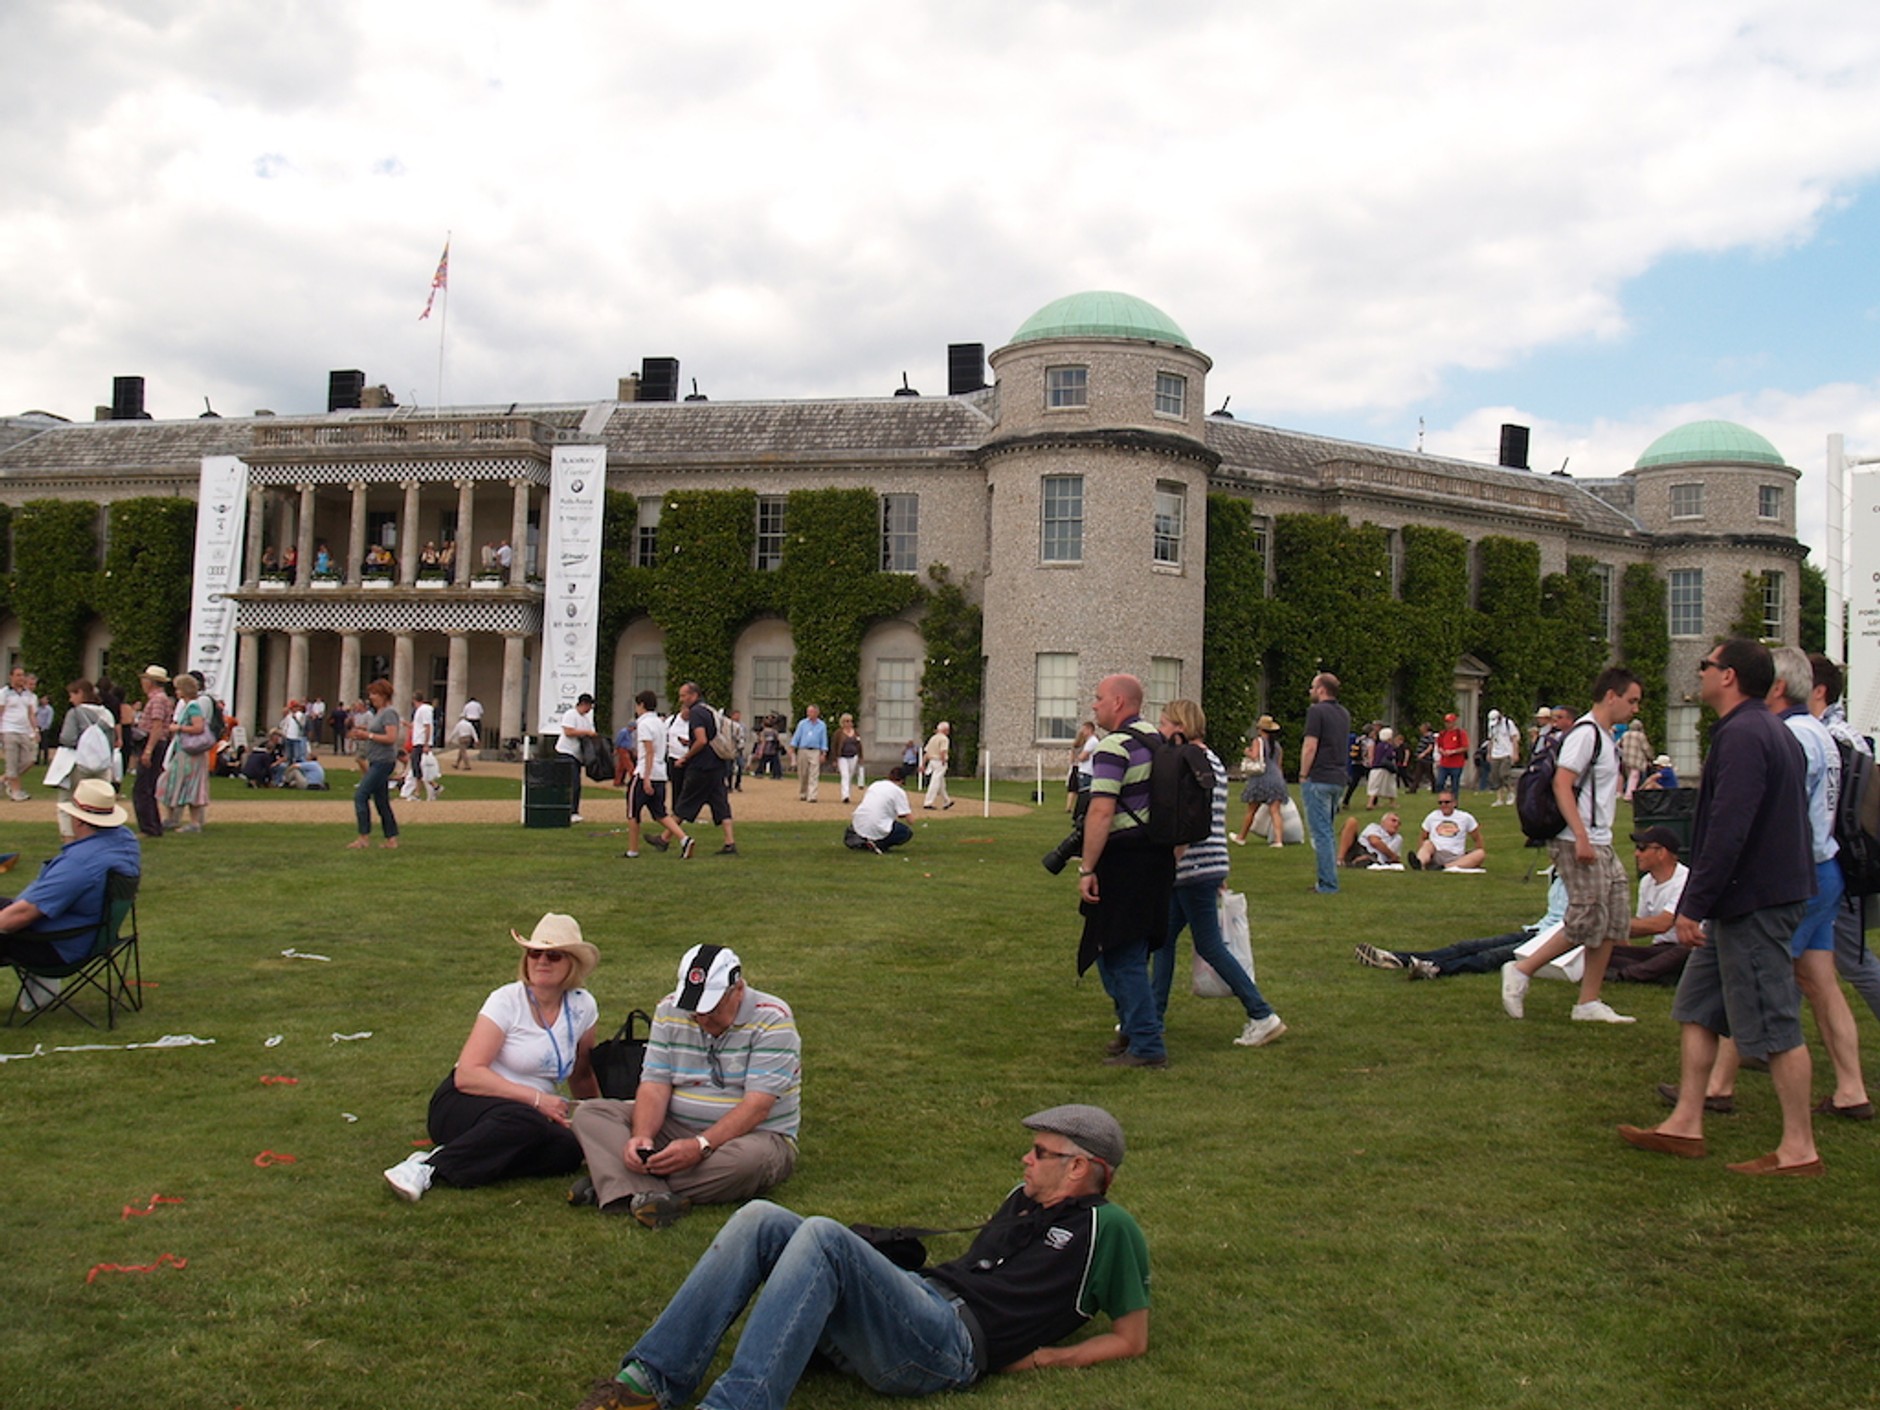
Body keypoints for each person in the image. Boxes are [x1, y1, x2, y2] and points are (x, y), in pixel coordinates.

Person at [571, 1104, 1148, 1410]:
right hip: (924, 1305)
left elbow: (1132, 1338)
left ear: (1079, 1167)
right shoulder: (1020, 1201)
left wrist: (1048, 1358)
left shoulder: (1110, 1227)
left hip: (952, 1346)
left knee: (823, 1235)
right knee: (759, 1218)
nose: (1025, 1158)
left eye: (1040, 1152)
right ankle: (648, 1382)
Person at [1619, 638, 1822, 1176]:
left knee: (1774, 1020)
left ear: (1728, 676)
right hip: (1744, 899)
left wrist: (1693, 905)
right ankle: (1686, 1123)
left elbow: (1729, 831)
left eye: (1706, 664)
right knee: (1698, 1006)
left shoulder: (1745, 736)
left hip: (1754, 901)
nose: (1700, 671)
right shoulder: (1765, 730)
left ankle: (1799, 1149)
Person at [1688, 647, 1870, 1121]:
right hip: (1822, 867)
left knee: (1755, 975)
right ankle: (1851, 1087)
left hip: (1789, 874)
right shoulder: (1824, 734)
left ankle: (1721, 1085)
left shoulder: (1786, 734)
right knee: (1819, 981)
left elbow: (1763, 816)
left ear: (1779, 686)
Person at [570, 943, 799, 1226]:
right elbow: (655, 1084)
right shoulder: (669, 1009)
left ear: (737, 990)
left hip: (753, 1136)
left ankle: (621, 1182)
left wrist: (700, 1145)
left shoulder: (773, 1018)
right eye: (694, 1010)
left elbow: (757, 1107)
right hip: (675, 1125)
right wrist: (642, 1136)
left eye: (711, 1009)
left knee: (748, 1163)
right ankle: (645, 1188)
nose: (701, 1019)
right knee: (590, 1113)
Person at [383, 914, 601, 1201]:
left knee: (567, 1152)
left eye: (554, 955)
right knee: (526, 1122)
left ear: (572, 963)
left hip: (532, 1115)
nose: (542, 961)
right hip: (467, 1101)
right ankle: (427, 1167)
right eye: (534, 953)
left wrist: (598, 1123)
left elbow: (582, 1074)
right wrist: (536, 1100)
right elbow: (468, 1074)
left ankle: (474, 1161)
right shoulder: (506, 1000)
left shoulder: (583, 1006)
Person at [1496, 666, 1643, 1024]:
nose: (1635, 708)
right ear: (1611, 695)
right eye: (1632, 700)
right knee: (1587, 915)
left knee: (1614, 917)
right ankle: (1522, 969)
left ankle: (1588, 1001)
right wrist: (1579, 836)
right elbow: (1563, 784)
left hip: (1600, 839)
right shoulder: (1586, 735)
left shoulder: (1606, 737)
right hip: (1578, 839)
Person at [1149, 699, 1286, 1048]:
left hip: (1190, 863)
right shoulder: (1211, 761)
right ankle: (1151, 1017)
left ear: (1178, 726)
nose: (1160, 730)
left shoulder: (1183, 761)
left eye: (1164, 723)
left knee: (1208, 943)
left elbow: (1183, 817)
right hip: (1208, 862)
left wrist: (1171, 857)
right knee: (1163, 940)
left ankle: (1261, 1013)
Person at [1077, 674, 1175, 1068]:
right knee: (1124, 948)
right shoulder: (1160, 741)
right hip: (1159, 856)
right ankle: (1136, 1027)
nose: (1094, 705)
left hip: (1126, 857)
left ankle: (1147, 1043)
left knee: (1121, 952)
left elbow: (1102, 810)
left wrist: (1087, 866)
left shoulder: (1114, 747)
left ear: (1119, 703)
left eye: (1099, 698)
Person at [0, 778, 142, 1013]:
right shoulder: (124, 841)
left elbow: (22, 915)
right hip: (94, 934)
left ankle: (41, 992)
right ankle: (39, 993)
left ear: (78, 820)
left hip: (58, 947)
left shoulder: (80, 864)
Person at [1356, 872, 1568, 980]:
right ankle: (1398, 958)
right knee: (1467, 946)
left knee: (1492, 956)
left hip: (1557, 938)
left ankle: (1435, 969)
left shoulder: (1588, 872)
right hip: (1536, 930)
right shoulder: (1558, 873)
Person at [1297, 673, 1351, 895]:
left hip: (1319, 777)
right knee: (1327, 830)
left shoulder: (1316, 712)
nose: (1310, 691)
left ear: (1321, 690)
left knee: (1321, 834)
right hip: (1338, 778)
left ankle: (1328, 884)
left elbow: (1310, 745)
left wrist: (1303, 773)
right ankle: (1327, 879)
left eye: (1312, 687)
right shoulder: (1344, 714)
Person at [670, 681, 737, 857]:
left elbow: (702, 740)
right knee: (721, 805)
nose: (681, 699)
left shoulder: (696, 713)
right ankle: (730, 843)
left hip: (702, 766)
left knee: (685, 802)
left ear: (694, 695)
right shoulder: (708, 710)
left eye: (683, 695)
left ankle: (664, 838)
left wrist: (686, 756)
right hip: (717, 764)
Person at [623, 691, 687, 860]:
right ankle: (684, 838)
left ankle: (633, 849)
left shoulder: (644, 724)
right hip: (660, 772)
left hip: (646, 771)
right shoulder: (661, 722)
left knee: (633, 812)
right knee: (660, 813)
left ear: (641, 705)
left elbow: (649, 751)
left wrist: (646, 778)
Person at [56, 680, 119, 841]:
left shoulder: (75, 713)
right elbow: (111, 742)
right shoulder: (106, 714)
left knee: (67, 800)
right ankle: (97, 836)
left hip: (78, 763)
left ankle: (69, 837)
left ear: (80, 693)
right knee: (97, 802)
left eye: (72, 694)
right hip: (102, 765)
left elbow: (67, 738)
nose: (71, 699)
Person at [347, 678, 401, 851]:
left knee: (361, 795)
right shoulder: (378, 713)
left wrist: (367, 736)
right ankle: (391, 839)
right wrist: (363, 733)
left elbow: (391, 738)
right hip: (376, 760)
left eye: (375, 693)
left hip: (384, 762)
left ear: (384, 695)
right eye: (370, 694)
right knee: (381, 802)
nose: (371, 697)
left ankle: (363, 837)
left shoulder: (389, 713)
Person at [157, 672, 213, 834]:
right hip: (184, 752)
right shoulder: (189, 706)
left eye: (178, 689)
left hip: (190, 753)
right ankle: (172, 818)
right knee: (172, 782)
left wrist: (179, 728)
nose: (176, 692)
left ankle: (192, 822)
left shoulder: (193, 706)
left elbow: (198, 727)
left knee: (188, 785)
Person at [129, 666, 174, 839]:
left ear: (150, 682)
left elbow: (156, 726)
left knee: (142, 788)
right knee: (147, 787)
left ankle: (148, 827)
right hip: (156, 743)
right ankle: (153, 825)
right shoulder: (162, 699)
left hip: (152, 743)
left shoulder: (157, 700)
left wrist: (148, 750)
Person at [1231, 715, 1287, 846]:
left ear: (1260, 729)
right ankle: (1278, 840)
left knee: (1251, 810)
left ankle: (1241, 837)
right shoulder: (1277, 746)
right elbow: (1279, 764)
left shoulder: (1258, 741)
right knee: (1275, 811)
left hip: (1262, 778)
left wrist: (1247, 752)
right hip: (1277, 778)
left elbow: (1255, 756)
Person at [1411, 792, 1485, 870]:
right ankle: (1420, 863)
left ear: (1454, 803)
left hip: (1456, 856)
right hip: (1436, 853)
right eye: (1440, 803)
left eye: (1447, 802)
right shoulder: (1432, 816)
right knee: (1427, 843)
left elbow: (1477, 838)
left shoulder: (1465, 817)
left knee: (1480, 853)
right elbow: (1423, 837)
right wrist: (1423, 853)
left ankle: (1443, 867)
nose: (1443, 805)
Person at [848, 765, 914, 852]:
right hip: (878, 824)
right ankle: (879, 843)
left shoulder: (875, 784)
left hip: (860, 820)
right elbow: (910, 820)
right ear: (902, 780)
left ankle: (863, 840)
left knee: (868, 823)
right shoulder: (898, 791)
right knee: (906, 832)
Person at [555, 693, 598, 824]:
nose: (590, 709)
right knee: (572, 783)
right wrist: (586, 733)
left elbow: (592, 733)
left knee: (576, 784)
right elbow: (568, 732)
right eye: (589, 705)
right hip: (566, 752)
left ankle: (573, 810)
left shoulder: (586, 720)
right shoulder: (571, 714)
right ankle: (569, 811)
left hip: (577, 755)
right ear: (584, 704)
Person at [1, 665, 38, 802]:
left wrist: (35, 730)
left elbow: (31, 714)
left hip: (24, 731)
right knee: (12, 762)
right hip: (9, 729)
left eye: (22, 675)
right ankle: (16, 791)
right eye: (18, 675)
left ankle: (5, 779)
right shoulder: (4, 693)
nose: (21, 678)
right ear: (11, 677)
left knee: (30, 759)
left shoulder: (28, 694)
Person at [789, 704, 828, 802]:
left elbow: (824, 739)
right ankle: (803, 792)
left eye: (811, 712)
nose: (809, 714)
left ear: (816, 713)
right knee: (803, 773)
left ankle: (812, 796)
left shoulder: (822, 725)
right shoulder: (802, 723)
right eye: (808, 711)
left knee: (814, 773)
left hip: (815, 750)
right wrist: (792, 747)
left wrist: (824, 753)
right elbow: (797, 736)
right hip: (803, 750)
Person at [1337, 811, 1402, 867]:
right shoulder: (1374, 827)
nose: (1396, 824)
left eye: (1399, 823)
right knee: (1352, 821)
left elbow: (1391, 858)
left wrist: (1392, 856)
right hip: (1359, 849)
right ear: (1383, 822)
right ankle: (1340, 860)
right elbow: (1374, 841)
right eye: (1393, 821)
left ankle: (1358, 862)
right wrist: (1392, 855)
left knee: (1370, 859)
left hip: (1374, 858)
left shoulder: (1397, 838)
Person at [1486, 708, 1522, 807]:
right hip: (1495, 753)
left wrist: (1515, 753)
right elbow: (1491, 739)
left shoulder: (1508, 723)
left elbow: (1515, 739)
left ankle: (1511, 793)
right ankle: (1499, 798)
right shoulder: (1491, 725)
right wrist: (1489, 753)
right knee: (1495, 776)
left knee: (1504, 774)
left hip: (1507, 753)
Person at [1434, 713, 1469, 797]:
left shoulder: (1460, 733)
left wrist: (1453, 751)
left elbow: (1465, 747)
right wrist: (1442, 751)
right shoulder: (1443, 734)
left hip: (1456, 764)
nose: (1447, 724)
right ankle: (1444, 797)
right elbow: (1439, 746)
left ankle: (1454, 802)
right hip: (1444, 763)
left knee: (1455, 785)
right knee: (1439, 782)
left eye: (1449, 722)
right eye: (1446, 722)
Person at [832, 712, 864, 803]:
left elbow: (859, 745)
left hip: (853, 756)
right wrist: (834, 759)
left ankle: (848, 793)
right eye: (846, 721)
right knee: (845, 775)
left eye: (850, 721)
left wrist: (861, 756)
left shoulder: (856, 732)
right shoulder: (838, 733)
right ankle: (845, 795)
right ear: (842, 722)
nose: (848, 723)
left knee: (850, 776)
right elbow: (834, 745)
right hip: (842, 757)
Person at [921, 720, 953, 810]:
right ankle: (928, 802)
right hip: (939, 761)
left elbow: (926, 752)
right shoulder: (944, 739)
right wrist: (944, 760)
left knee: (940, 782)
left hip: (932, 761)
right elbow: (943, 751)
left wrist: (923, 764)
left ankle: (947, 801)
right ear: (945, 730)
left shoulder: (933, 738)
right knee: (935, 782)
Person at [1366, 726, 1399, 809]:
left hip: (1375, 767)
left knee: (1374, 786)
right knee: (1390, 785)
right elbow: (1390, 755)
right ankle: (1392, 803)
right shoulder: (1388, 746)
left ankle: (1370, 803)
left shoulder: (1378, 745)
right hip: (1385, 768)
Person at [1619, 718, 1654, 799]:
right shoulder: (1640, 736)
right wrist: (1651, 757)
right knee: (1635, 777)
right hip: (1636, 759)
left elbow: (1619, 744)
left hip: (1626, 758)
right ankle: (1629, 795)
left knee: (1630, 777)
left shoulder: (1625, 734)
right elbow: (1646, 748)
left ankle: (1629, 792)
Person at [409, 692, 436, 783]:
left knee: (418, 766)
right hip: (417, 741)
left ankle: (418, 791)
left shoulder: (424, 710)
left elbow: (427, 726)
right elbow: (416, 726)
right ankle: (434, 786)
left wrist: (426, 744)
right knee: (417, 766)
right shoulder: (419, 711)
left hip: (421, 742)